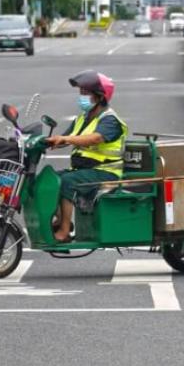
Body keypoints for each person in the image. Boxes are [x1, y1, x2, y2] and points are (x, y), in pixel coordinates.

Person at [45, 70, 127, 243]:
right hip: (86, 170)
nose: (81, 97)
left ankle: (65, 230)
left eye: (85, 93)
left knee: (68, 182)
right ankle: (60, 220)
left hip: (106, 172)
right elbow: (66, 138)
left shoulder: (110, 120)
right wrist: (45, 142)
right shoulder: (83, 118)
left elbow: (95, 138)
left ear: (99, 96)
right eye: (80, 92)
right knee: (51, 179)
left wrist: (65, 138)